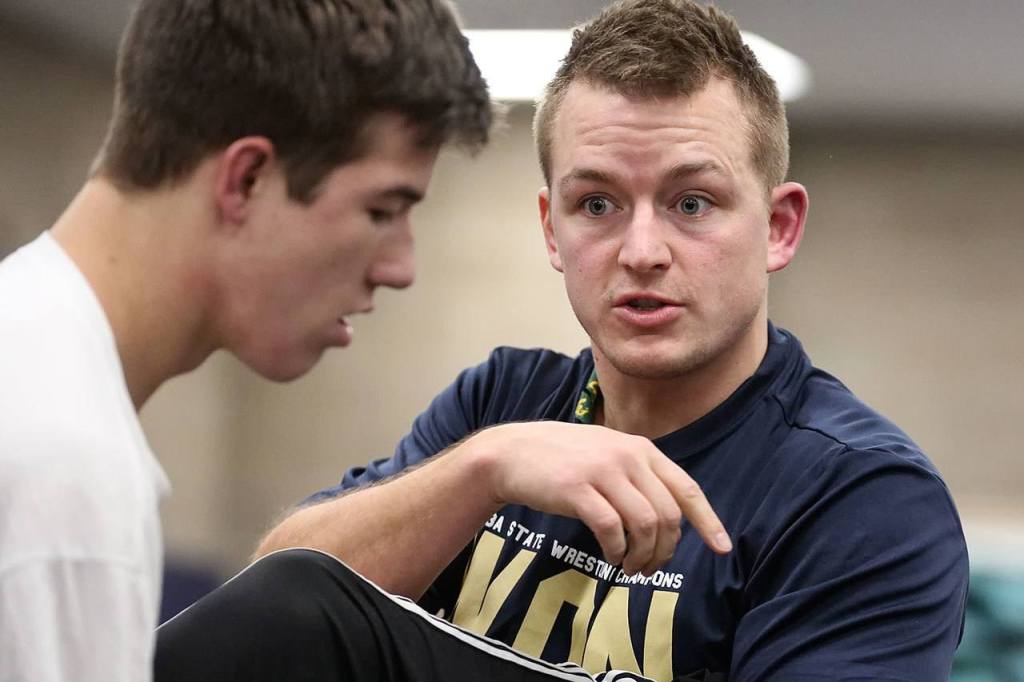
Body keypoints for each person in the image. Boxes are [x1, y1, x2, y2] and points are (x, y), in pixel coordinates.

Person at [249, 0, 970, 680]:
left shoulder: (861, 498)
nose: (642, 251)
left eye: (693, 203)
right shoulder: (501, 404)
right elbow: (268, 612)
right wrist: (483, 469)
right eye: (597, 204)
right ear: (551, 228)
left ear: (778, 227)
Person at [0, 0, 491, 680]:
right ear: (247, 179)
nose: (400, 267)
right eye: (381, 210)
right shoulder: (62, 468)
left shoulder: (29, 363)